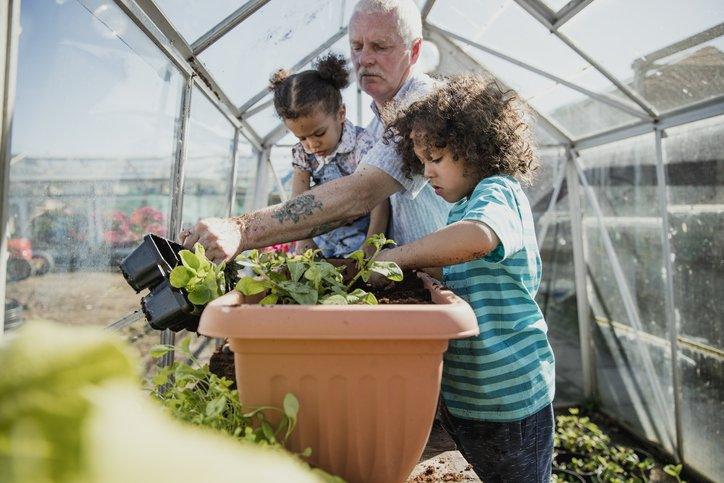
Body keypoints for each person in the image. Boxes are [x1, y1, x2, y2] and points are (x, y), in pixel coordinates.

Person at [372, 74, 555, 482]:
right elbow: (467, 266)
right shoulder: (464, 207)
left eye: (436, 159)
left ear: (476, 149)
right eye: (422, 163)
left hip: (511, 403)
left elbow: (478, 239)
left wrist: (397, 259)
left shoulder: (497, 191)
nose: (428, 173)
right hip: (471, 400)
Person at [179, 0, 449, 263]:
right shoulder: (378, 124)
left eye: (379, 46)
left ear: (414, 51)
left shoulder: (421, 104)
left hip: (457, 278)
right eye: (356, 46)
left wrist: (242, 229)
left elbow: (361, 194)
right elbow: (341, 209)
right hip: (421, 274)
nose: (364, 59)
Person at [269, 53, 388, 258]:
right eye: (302, 137)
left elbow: (380, 201)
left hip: (360, 234)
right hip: (323, 233)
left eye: (319, 133)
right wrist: (305, 241)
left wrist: (370, 247)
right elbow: (299, 199)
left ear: (341, 114)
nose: (312, 144)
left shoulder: (363, 144)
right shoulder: (302, 152)